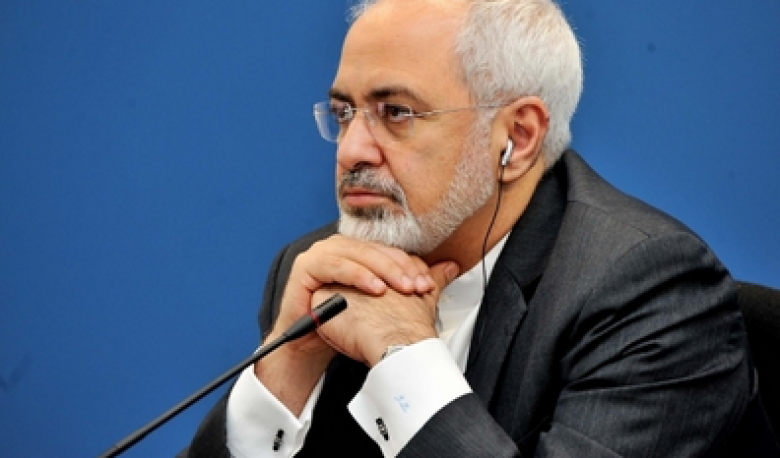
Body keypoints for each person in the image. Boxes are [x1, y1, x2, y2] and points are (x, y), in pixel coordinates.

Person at [183, 0, 779, 456]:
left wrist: (403, 355)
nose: (350, 150)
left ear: (517, 137)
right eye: (344, 113)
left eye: (396, 113)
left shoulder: (652, 292)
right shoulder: (321, 270)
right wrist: (283, 372)